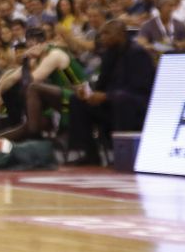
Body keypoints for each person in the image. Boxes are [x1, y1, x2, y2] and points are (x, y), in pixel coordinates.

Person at [67, 21, 157, 164]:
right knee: (77, 101)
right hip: (111, 103)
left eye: (106, 33)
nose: (101, 37)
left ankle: (123, 154)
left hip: (136, 106)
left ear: (121, 34)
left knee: (122, 100)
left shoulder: (138, 53)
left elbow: (140, 89)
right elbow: (102, 85)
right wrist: (89, 93)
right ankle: (89, 155)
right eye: (101, 34)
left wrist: (107, 96)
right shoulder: (109, 54)